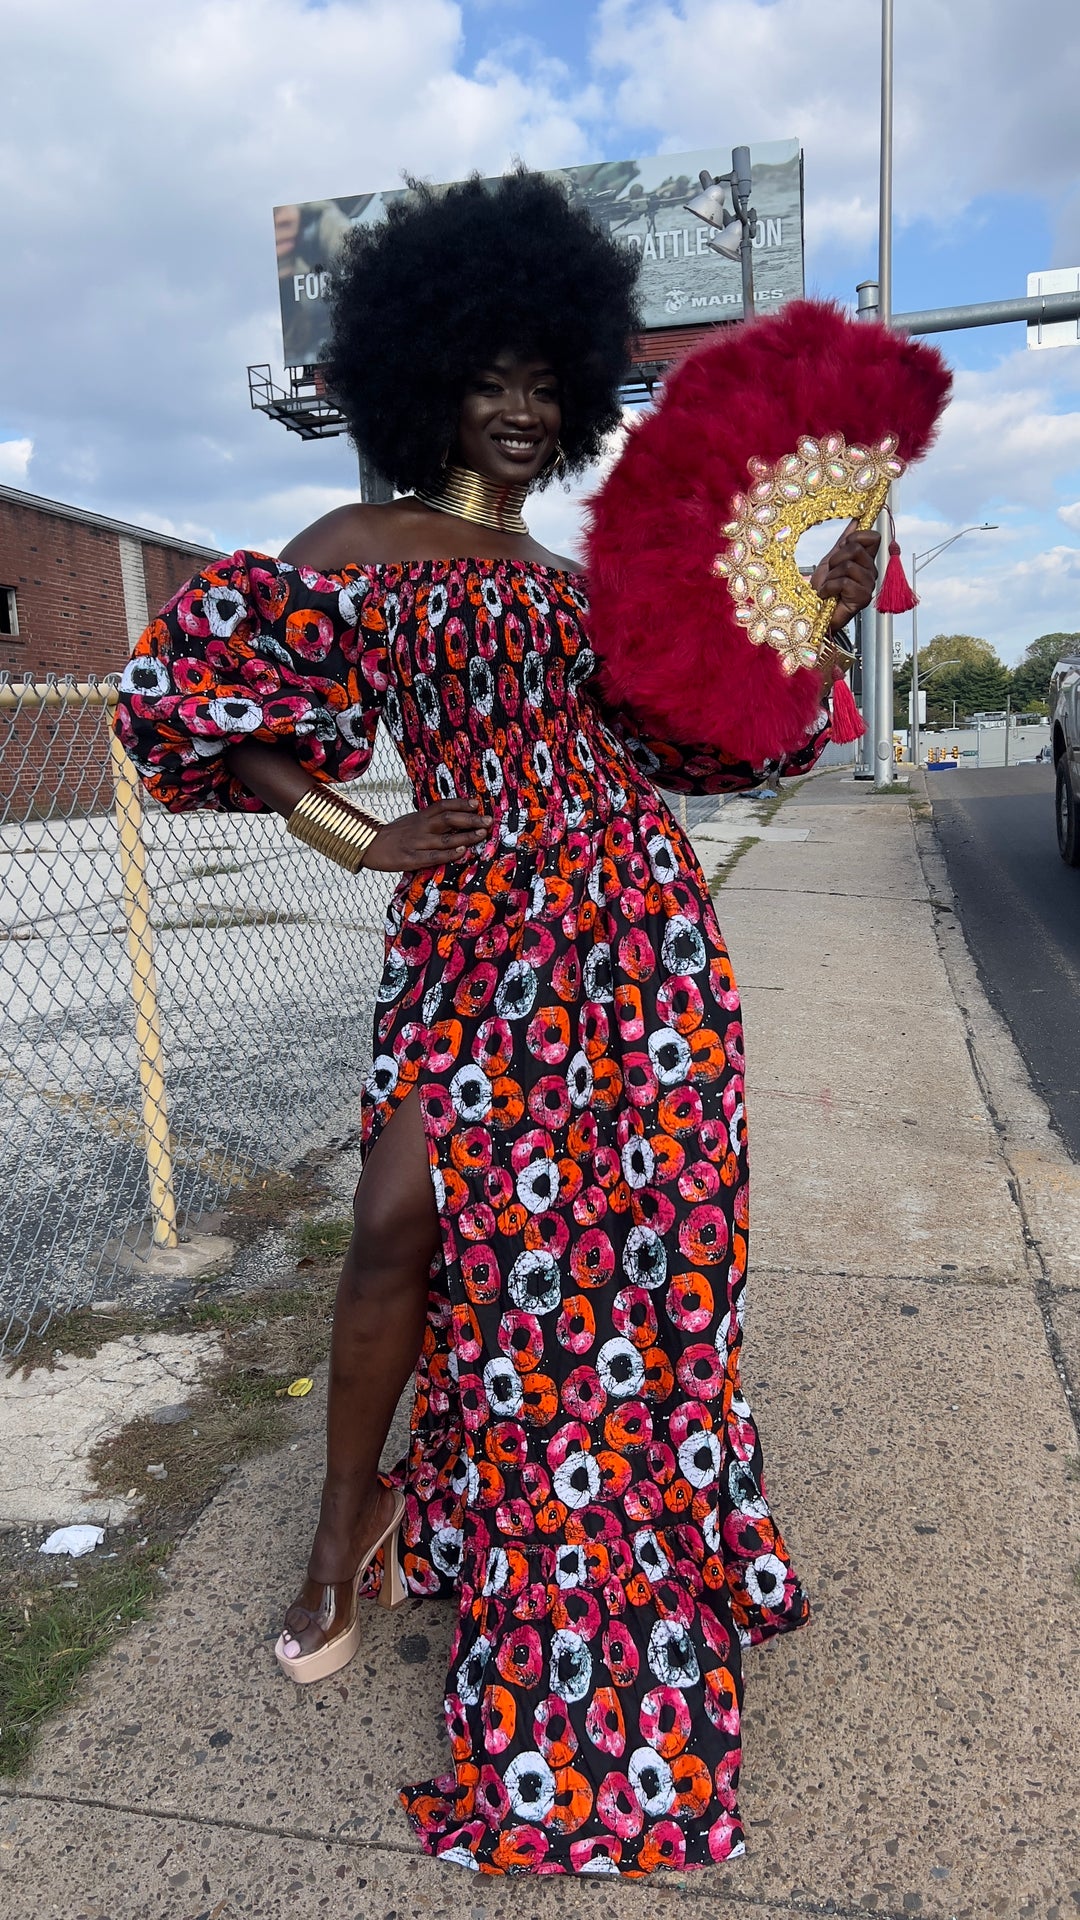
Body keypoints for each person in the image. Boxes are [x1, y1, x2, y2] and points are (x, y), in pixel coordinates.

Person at [115, 169, 878, 1877]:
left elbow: (708, 747)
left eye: (552, 382)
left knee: (621, 1270)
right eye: (493, 379)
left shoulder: (582, 576)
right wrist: (355, 828)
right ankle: (344, 1534)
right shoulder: (353, 552)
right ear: (423, 378)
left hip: (640, 938)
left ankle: (633, 1544)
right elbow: (189, 702)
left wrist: (816, 618)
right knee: (397, 1227)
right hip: (471, 934)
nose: (525, 410)